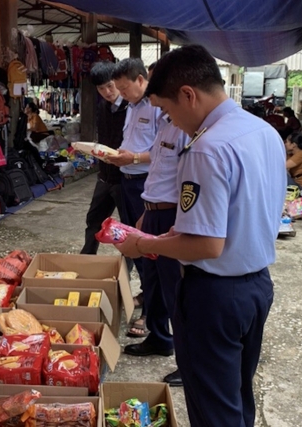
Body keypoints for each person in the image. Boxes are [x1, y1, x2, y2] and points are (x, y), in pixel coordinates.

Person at [114, 45, 286, 427]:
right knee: (237, 397)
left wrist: (143, 245)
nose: (172, 122)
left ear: (189, 94)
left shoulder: (206, 147)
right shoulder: (263, 131)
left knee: (213, 410)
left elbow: (206, 245)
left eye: (169, 111)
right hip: (256, 286)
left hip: (216, 296)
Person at [123, 109, 188, 390]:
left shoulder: (188, 128)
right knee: (153, 282)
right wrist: (145, 214)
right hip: (153, 211)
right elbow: (158, 173)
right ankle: (160, 339)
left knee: (177, 290)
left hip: (174, 214)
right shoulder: (164, 124)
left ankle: (189, 363)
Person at [107, 58, 160, 338]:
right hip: (127, 181)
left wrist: (135, 157)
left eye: (125, 88)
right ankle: (146, 292)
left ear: (141, 80)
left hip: (145, 184)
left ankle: (151, 310)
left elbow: (166, 151)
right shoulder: (132, 106)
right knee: (130, 243)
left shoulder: (158, 108)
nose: (121, 94)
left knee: (146, 245)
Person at [80, 62, 129, 256]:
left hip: (125, 177)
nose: (107, 92)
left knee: (128, 226)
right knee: (94, 220)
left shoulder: (130, 107)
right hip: (104, 176)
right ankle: (86, 261)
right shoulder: (102, 107)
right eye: (101, 88)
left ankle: (125, 270)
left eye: (110, 85)